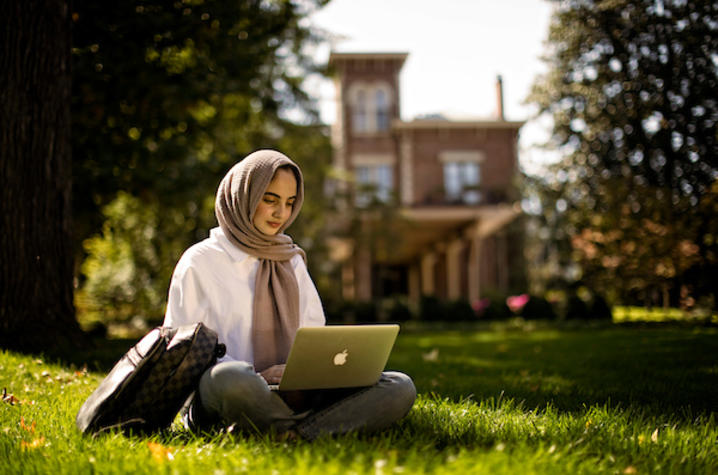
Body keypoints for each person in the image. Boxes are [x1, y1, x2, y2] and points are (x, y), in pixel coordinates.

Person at [163, 149, 416, 440]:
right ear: (242, 195)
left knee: (400, 385)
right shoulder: (200, 261)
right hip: (228, 394)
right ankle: (316, 429)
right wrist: (258, 378)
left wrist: (310, 374)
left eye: (289, 202)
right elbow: (180, 353)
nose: (281, 213)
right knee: (229, 378)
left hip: (294, 394)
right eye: (269, 199)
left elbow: (315, 337)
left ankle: (291, 432)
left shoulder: (291, 259)